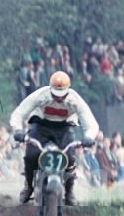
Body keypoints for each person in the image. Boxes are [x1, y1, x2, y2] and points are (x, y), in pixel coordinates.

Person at [9, 70, 100, 207]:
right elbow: (19, 112)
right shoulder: (41, 95)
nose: (58, 98)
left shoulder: (75, 100)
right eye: (55, 94)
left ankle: (69, 191)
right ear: (50, 89)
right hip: (41, 126)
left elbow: (90, 122)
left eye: (62, 95)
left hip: (64, 128)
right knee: (31, 155)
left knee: (69, 157)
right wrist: (18, 130)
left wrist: (89, 137)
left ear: (68, 91)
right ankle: (28, 186)